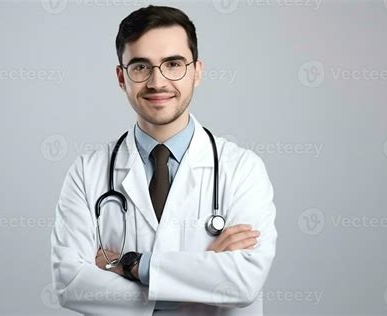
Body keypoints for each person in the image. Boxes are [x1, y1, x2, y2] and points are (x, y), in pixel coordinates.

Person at [50, 5, 277, 316]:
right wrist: (196, 284)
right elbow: (70, 283)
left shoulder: (242, 169)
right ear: (121, 77)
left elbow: (242, 283)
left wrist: (131, 264)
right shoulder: (87, 172)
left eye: (173, 64)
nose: (157, 82)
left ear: (197, 71)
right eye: (141, 67)